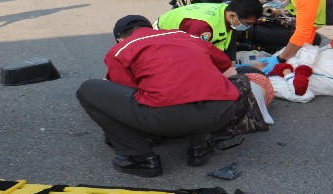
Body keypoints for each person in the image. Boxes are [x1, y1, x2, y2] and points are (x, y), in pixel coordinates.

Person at [76, 15, 251, 177]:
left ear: (119, 39)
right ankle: (200, 146)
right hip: (222, 112)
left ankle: (140, 158)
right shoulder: (186, 37)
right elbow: (224, 64)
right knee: (198, 84)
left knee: (87, 90)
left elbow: (127, 91)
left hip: (168, 117)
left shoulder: (121, 49)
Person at [155, 0, 263, 66]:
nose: (247, 27)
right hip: (162, 38)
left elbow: (228, 46)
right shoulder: (202, 27)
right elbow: (195, 57)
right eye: (247, 23)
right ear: (232, 15)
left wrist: (231, 67)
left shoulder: (228, 16)